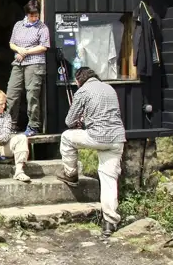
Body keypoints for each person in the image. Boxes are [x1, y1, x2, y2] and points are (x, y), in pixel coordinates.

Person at [54, 67, 126, 237]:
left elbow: (69, 120)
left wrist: (78, 122)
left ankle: (70, 173)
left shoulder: (83, 91)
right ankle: (109, 223)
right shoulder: (109, 88)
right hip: (117, 138)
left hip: (96, 136)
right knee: (109, 179)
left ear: (79, 80)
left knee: (66, 137)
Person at [6, 0, 50, 136]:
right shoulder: (18, 25)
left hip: (35, 63)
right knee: (12, 93)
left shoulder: (42, 28)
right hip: (18, 63)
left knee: (32, 95)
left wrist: (25, 52)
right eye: (32, 15)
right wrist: (19, 49)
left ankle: (33, 125)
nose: (34, 18)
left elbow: (44, 46)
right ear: (26, 14)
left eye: (36, 15)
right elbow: (11, 43)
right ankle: (10, 124)